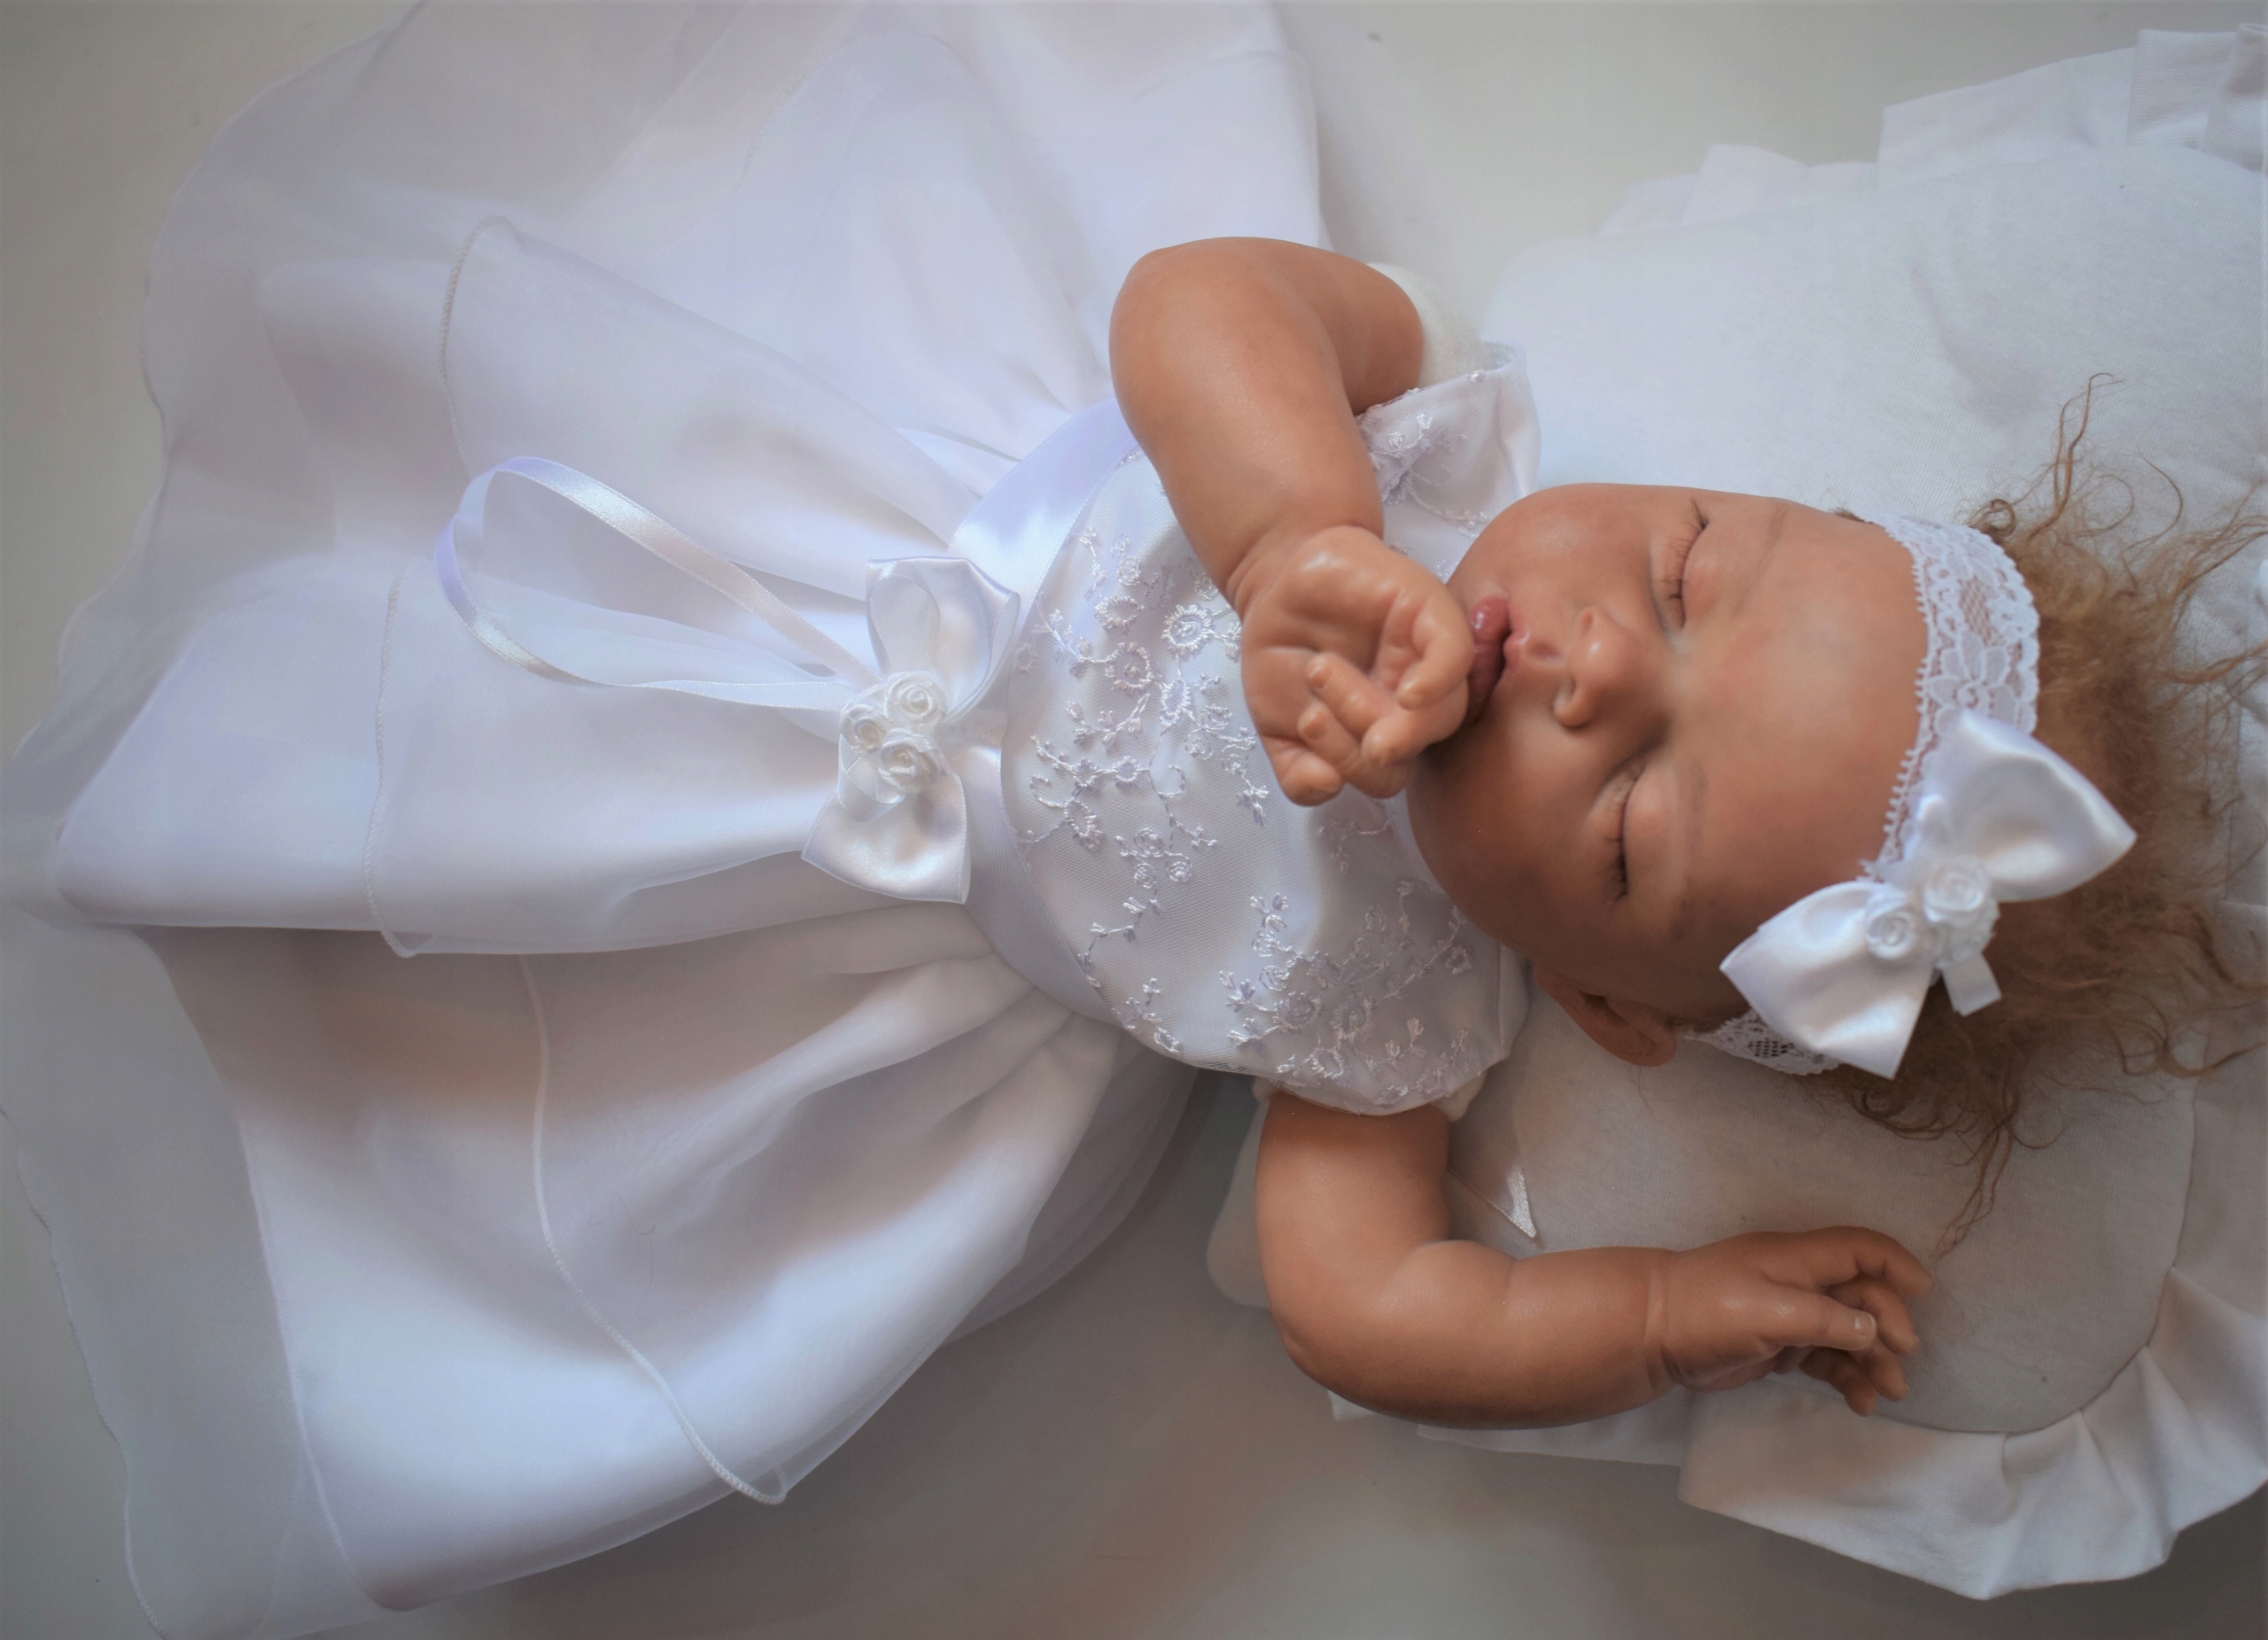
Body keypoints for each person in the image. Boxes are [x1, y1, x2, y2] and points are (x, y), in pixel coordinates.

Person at [4, 6, 2255, 1628]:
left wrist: (1660, 1305)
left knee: (442, 861)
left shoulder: (1400, 1021)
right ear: (1717, 489)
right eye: (1678, 574)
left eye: (1630, 822)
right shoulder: (1441, 445)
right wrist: (1291, 531)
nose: (1590, 668)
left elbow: (1361, 1309)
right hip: (862, 505)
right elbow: (1194, 299)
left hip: (829, 882)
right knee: (471, 456)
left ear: (1606, 1001)